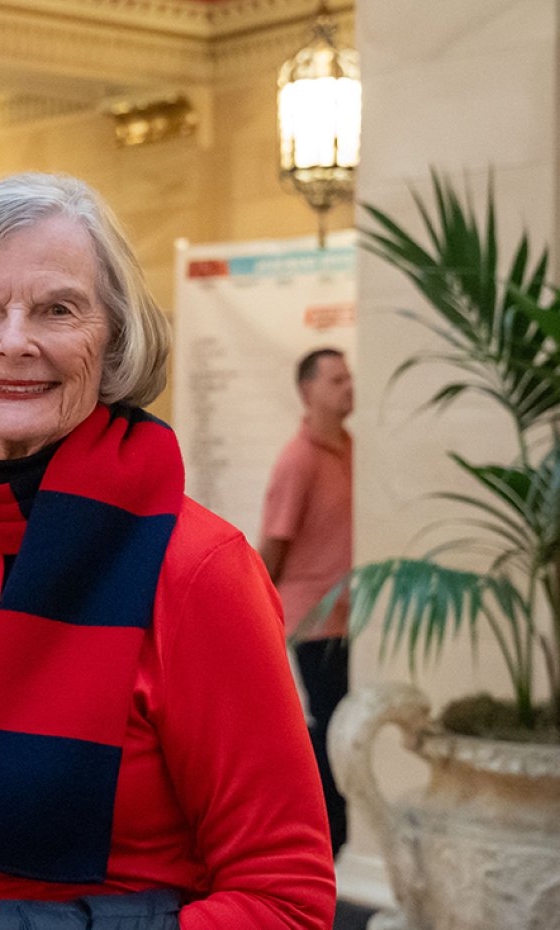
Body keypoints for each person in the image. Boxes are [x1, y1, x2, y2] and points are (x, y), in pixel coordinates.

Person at [0, 174, 336, 930]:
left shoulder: (196, 569)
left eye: (58, 310)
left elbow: (286, 899)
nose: (14, 342)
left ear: (114, 345)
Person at [260, 347, 355, 858]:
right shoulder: (296, 460)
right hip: (315, 621)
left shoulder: (353, 449)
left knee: (343, 723)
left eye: (349, 378)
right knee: (329, 722)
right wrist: (257, 607)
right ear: (307, 391)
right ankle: (326, 838)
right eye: (336, 380)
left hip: (354, 619)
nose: (348, 387)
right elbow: (273, 544)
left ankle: (339, 833)